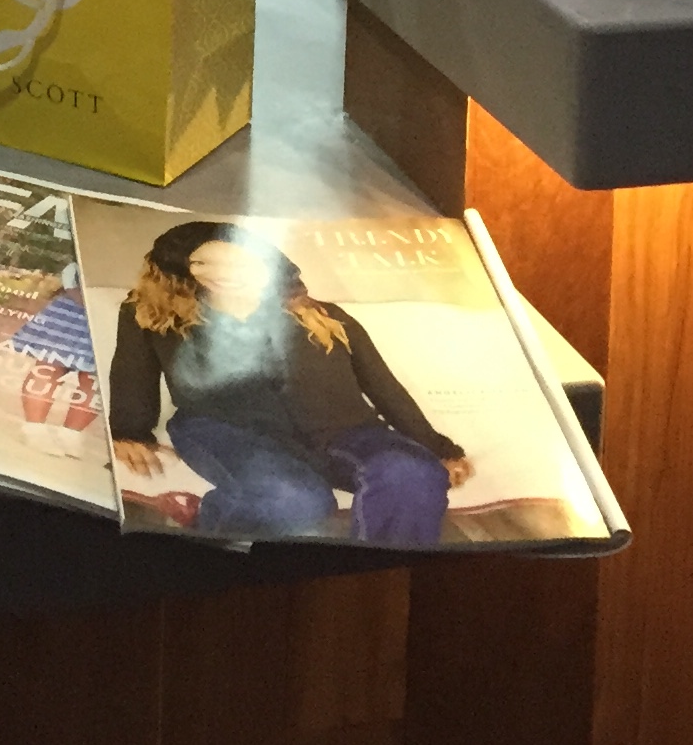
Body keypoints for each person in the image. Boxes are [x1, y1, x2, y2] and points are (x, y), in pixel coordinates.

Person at [108, 217, 469, 546]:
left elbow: (382, 385)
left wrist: (436, 447)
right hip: (225, 430)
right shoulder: (154, 315)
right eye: (202, 262)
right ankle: (208, 521)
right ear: (181, 267)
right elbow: (132, 371)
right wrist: (129, 431)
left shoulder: (326, 316)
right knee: (295, 499)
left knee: (413, 475)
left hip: (344, 430)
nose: (222, 273)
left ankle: (370, 575)